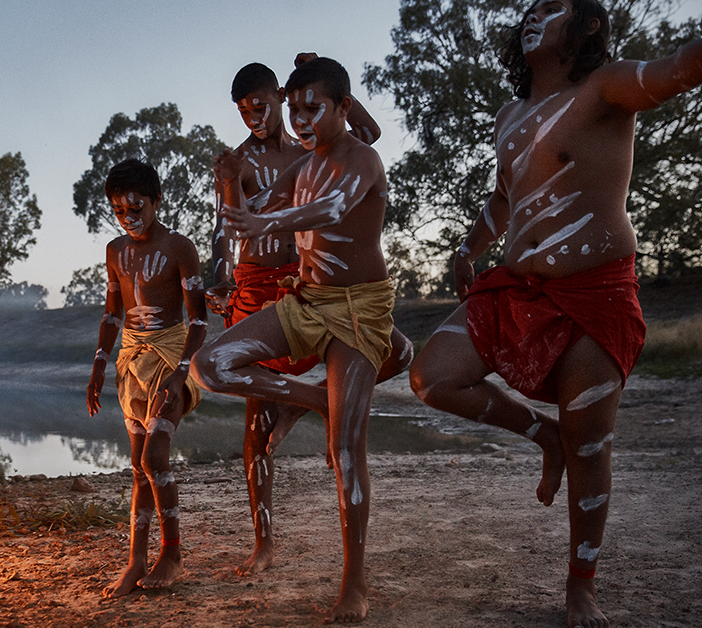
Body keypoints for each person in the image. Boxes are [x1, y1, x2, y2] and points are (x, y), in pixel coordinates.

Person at [407, 2, 701, 626]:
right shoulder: (509, 115)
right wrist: (466, 247)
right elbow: (503, 198)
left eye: (552, 6)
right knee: (431, 376)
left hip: (595, 292)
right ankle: (544, 438)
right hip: (517, 289)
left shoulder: (607, 85)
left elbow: (679, 69)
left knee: (591, 442)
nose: (533, 15)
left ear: (588, 24)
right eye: (529, 8)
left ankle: (580, 586)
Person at [192, 57, 396, 624]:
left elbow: (343, 184)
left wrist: (315, 80)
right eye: (245, 110)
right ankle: (308, 405)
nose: (261, 116)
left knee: (349, 440)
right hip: (286, 293)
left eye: (270, 104)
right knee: (226, 384)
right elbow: (237, 219)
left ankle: (354, 581)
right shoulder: (265, 163)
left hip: (350, 300)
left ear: (279, 96)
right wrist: (220, 267)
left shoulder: (341, 154)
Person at [87, 158, 209, 598]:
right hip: (130, 362)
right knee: (138, 468)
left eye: (136, 207)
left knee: (155, 458)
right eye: (119, 211)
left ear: (156, 201)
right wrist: (100, 363)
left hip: (172, 356)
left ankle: (172, 555)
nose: (128, 218)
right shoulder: (114, 250)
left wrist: (180, 375)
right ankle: (136, 559)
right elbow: (112, 311)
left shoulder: (180, 247)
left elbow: (199, 321)